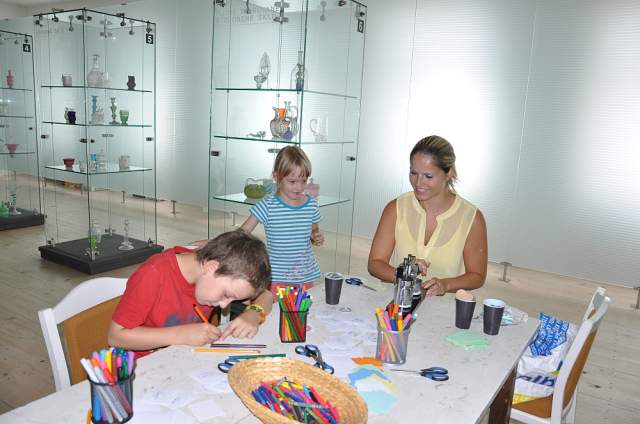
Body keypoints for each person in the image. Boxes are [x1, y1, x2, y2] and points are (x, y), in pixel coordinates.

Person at [107, 230, 273, 358]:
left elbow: (266, 296)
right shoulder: (154, 273)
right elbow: (115, 337)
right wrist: (181, 335)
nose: (224, 305)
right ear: (211, 267)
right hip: (138, 367)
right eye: (226, 294)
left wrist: (254, 313)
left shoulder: (217, 271)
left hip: (180, 359)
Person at [368, 135, 487, 297]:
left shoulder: (471, 218)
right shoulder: (395, 208)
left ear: (449, 173)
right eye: (413, 173)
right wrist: (402, 273)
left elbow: (477, 276)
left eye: (428, 176)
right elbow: (375, 264)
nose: (418, 183)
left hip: (442, 309)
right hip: (396, 303)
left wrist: (446, 284)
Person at [240, 145, 324, 295]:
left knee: (302, 309)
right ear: (276, 176)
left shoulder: (311, 204)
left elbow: (314, 231)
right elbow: (242, 232)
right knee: (276, 309)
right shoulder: (267, 206)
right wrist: (216, 244)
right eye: (292, 181)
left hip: (305, 275)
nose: (299, 187)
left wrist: (316, 237)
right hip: (277, 277)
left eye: (303, 181)